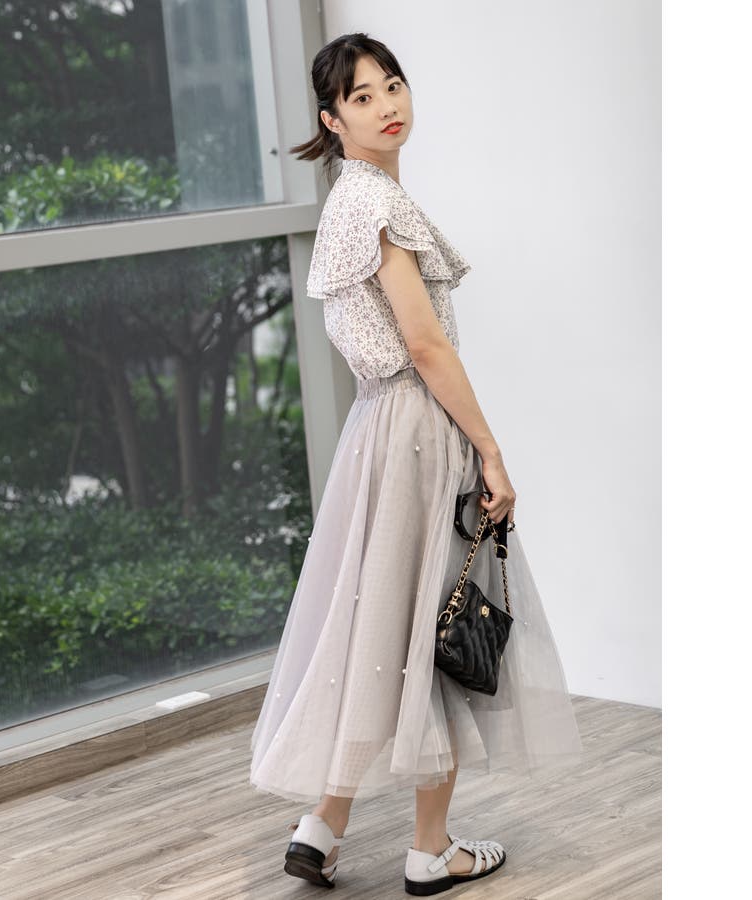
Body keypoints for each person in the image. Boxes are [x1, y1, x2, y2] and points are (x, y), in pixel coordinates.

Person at [248, 33, 584, 895]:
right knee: (440, 630)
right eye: (361, 97)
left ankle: (323, 825)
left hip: (375, 431)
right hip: (420, 429)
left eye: (392, 85)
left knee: (381, 627)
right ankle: (430, 851)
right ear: (332, 119)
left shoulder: (349, 200)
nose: (386, 105)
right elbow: (427, 347)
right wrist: (491, 452)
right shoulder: (379, 207)